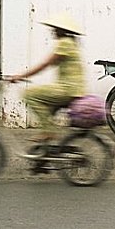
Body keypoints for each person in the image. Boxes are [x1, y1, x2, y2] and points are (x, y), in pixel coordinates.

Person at [7, 11, 86, 142]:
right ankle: (49, 146)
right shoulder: (71, 43)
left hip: (68, 89)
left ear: (61, 30)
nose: (52, 31)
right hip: (75, 89)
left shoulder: (64, 43)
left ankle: (49, 132)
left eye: (55, 29)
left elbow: (45, 64)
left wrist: (20, 76)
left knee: (28, 94)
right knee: (47, 108)